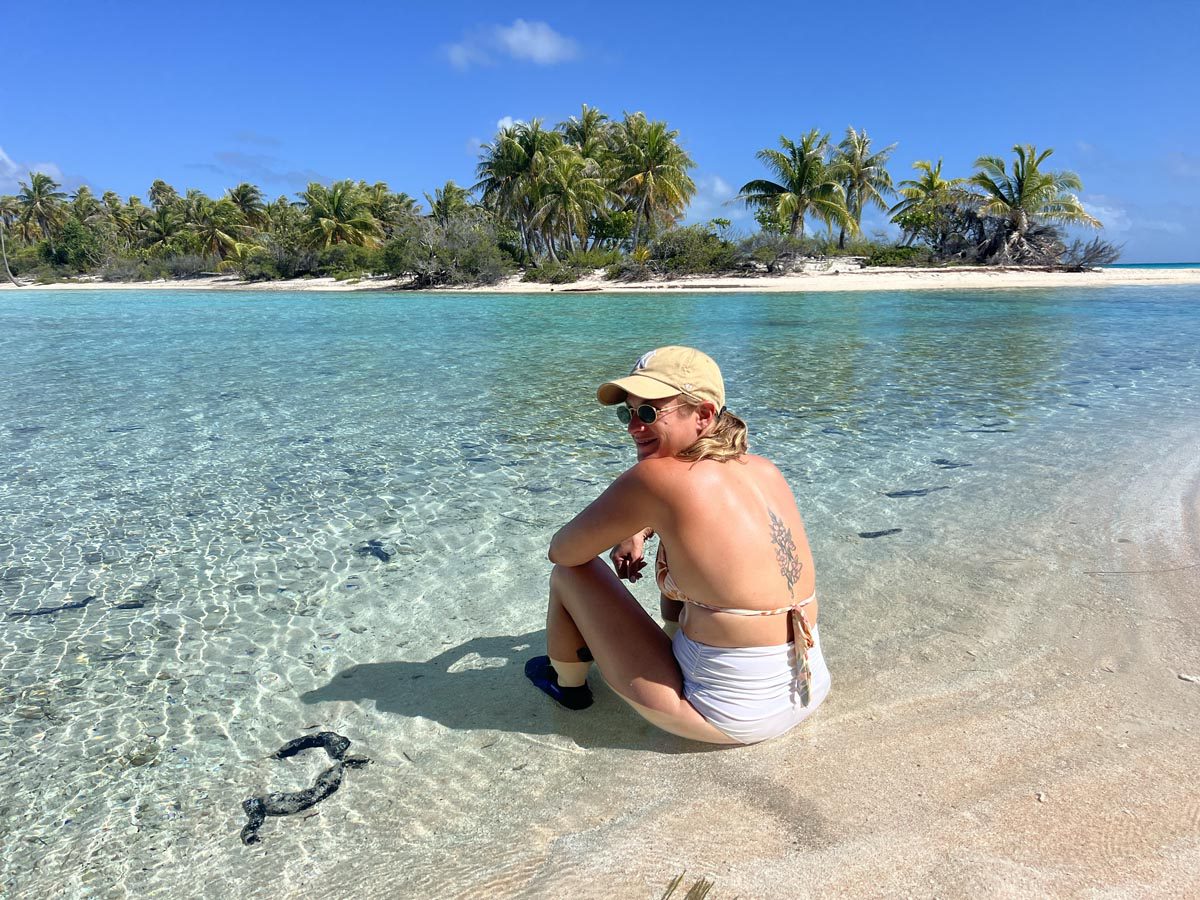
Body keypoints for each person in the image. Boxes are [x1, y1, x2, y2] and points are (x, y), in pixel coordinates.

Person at [525, 346, 831, 744]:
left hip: (724, 717)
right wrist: (635, 529)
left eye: (649, 412)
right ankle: (675, 643)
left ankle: (567, 685)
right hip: (810, 687)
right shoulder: (763, 469)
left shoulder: (655, 477)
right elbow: (695, 522)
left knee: (571, 573)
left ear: (703, 414)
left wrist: (632, 523)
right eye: (628, 413)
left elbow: (563, 551)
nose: (634, 427)